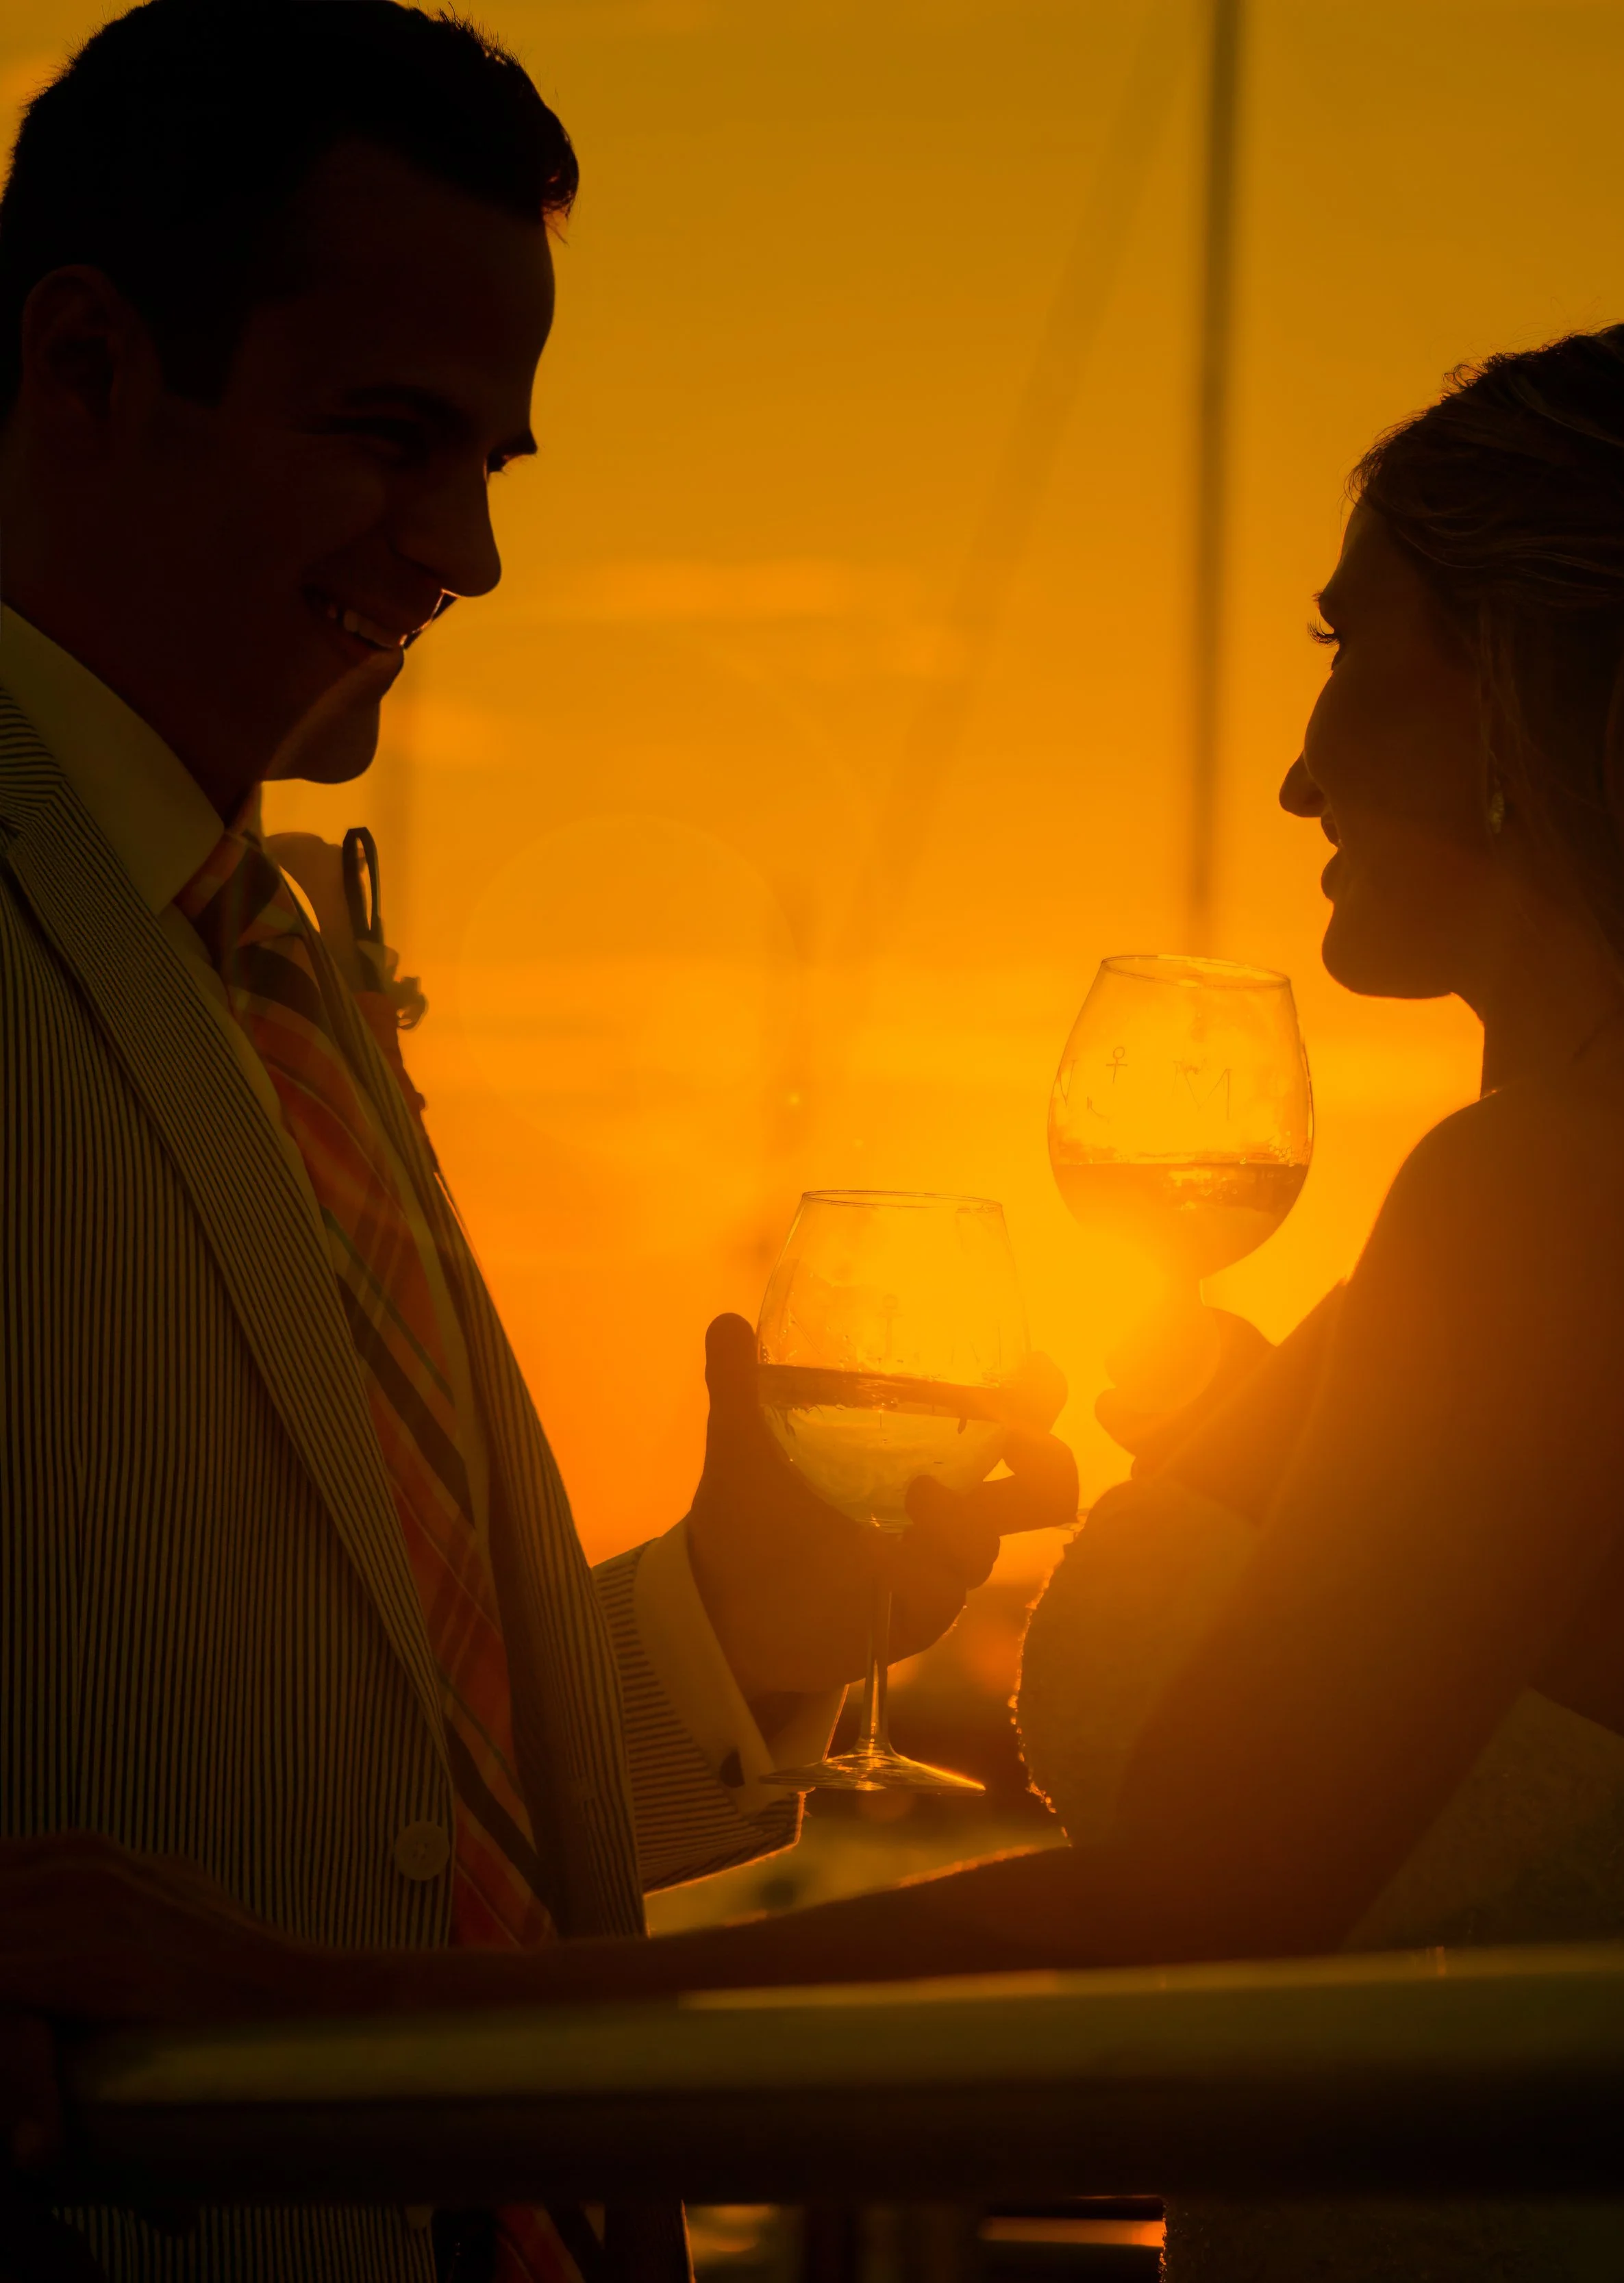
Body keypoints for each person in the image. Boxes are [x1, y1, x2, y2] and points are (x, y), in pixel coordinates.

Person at [0, 5, 1076, 2276]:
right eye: (390, 437)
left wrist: (735, 1627)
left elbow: (385, 1797)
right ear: (84, 366)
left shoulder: (269, 951)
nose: (469, 551)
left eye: (489, 459)